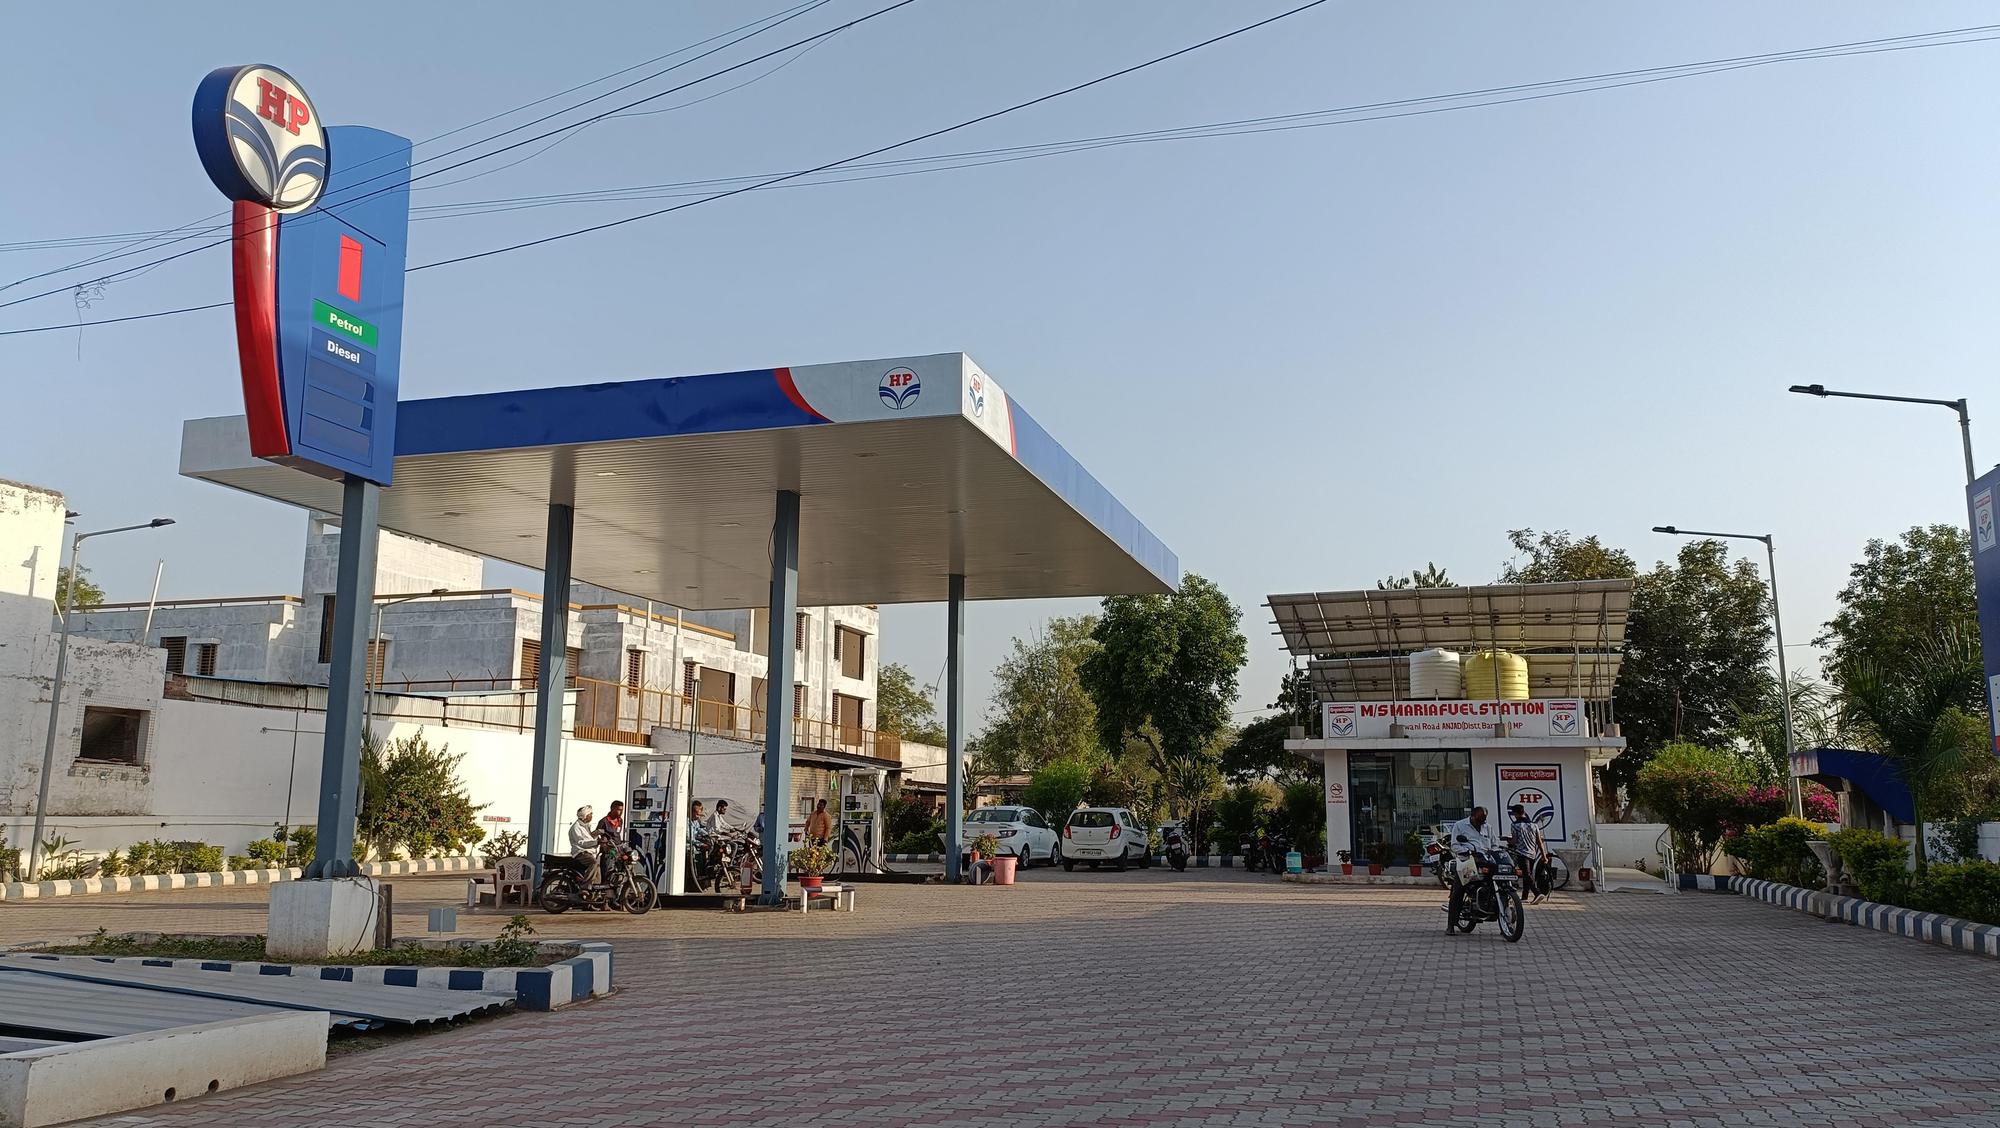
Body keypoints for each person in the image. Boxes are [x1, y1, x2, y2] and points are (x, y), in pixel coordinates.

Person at [1444, 806, 1494, 931]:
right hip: (1467, 862)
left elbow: (1494, 844)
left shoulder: (1487, 827)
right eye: (1479, 820)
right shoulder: (1460, 826)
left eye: (1483, 820)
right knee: (1458, 891)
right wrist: (1468, 851)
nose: (1481, 823)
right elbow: (1455, 846)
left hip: (1485, 861)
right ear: (1472, 816)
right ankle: (1451, 924)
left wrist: (1495, 851)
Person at [1508, 804, 1550, 903]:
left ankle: (1537, 893)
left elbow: (1514, 841)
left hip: (1522, 853)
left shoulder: (1515, 825)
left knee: (1527, 875)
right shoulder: (1534, 825)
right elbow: (1539, 842)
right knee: (1528, 874)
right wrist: (1544, 856)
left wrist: (1507, 840)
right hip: (1532, 853)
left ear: (1515, 814)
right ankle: (1525, 896)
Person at [569, 805, 601, 885]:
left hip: (590, 852)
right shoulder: (576, 827)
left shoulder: (586, 826)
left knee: (598, 866)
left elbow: (588, 838)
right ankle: (586, 886)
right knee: (593, 863)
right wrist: (596, 842)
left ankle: (596, 887)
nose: (591, 816)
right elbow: (581, 843)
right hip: (581, 853)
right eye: (590, 814)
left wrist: (596, 834)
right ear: (585, 816)